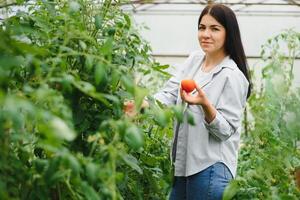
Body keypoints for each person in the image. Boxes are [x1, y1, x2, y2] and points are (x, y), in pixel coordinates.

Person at [124, 3, 251, 200]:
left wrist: (204, 104)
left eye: (214, 28)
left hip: (211, 169)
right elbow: (168, 94)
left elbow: (226, 130)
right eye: (202, 27)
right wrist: (142, 104)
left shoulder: (232, 76)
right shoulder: (195, 60)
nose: (205, 34)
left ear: (228, 33)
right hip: (183, 168)